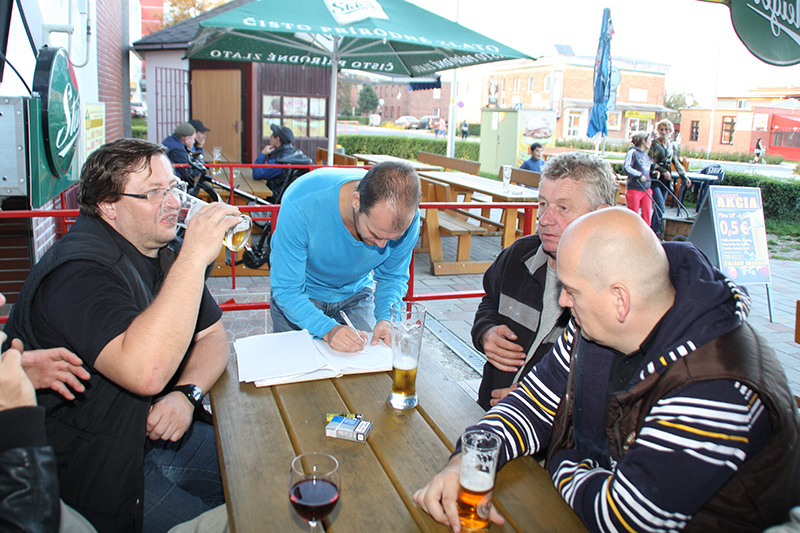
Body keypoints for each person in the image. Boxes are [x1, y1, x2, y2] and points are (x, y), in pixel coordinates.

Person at [414, 207, 800, 532]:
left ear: (620, 299)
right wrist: (467, 459)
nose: (564, 303)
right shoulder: (596, 325)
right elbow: (531, 404)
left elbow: (625, 518)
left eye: (571, 290)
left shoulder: (715, 387)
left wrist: (561, 460)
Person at [2, 139, 243, 532]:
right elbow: (146, 372)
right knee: (240, 520)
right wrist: (195, 256)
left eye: (174, 188)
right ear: (107, 206)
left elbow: (213, 337)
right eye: (153, 193)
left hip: (152, 438)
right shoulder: (78, 271)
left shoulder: (160, 248)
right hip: (95, 468)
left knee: (256, 472)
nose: (172, 203)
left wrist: (187, 394)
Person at [472, 152, 616, 410]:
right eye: (542, 204)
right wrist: (486, 332)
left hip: (551, 434)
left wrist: (539, 400)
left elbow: (611, 388)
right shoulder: (517, 256)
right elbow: (490, 302)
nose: (545, 219)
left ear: (600, 215)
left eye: (563, 208)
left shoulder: (615, 292)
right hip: (486, 415)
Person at [269, 161, 421, 353]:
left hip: (356, 293)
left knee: (367, 361)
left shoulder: (408, 219)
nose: (382, 246)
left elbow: (392, 277)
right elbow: (287, 290)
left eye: (393, 239)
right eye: (375, 233)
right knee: (296, 366)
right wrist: (328, 329)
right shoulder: (302, 203)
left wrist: (386, 319)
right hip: (301, 296)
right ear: (356, 201)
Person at [649, 119, 688, 238]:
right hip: (656, 176)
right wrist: (663, 171)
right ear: (658, 131)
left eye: (666, 130)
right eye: (661, 129)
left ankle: (655, 231)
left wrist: (684, 177)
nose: (664, 132)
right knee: (660, 205)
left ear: (670, 131)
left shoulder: (672, 145)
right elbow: (649, 161)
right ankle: (656, 232)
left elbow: (675, 161)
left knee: (660, 208)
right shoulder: (654, 144)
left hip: (667, 179)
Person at [252, 124, 311, 202]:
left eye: (272, 135)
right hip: (292, 200)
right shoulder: (298, 154)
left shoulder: (279, 160)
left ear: (277, 139)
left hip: (274, 201)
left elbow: (256, 174)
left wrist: (263, 154)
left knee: (248, 200)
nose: (270, 138)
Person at [623, 132, 653, 227]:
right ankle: (631, 231)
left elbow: (646, 170)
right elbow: (626, 167)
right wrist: (639, 175)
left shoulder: (646, 155)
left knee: (647, 213)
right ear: (643, 140)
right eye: (649, 140)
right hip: (634, 188)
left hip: (646, 188)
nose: (651, 142)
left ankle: (646, 232)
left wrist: (653, 173)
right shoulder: (633, 152)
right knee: (633, 214)